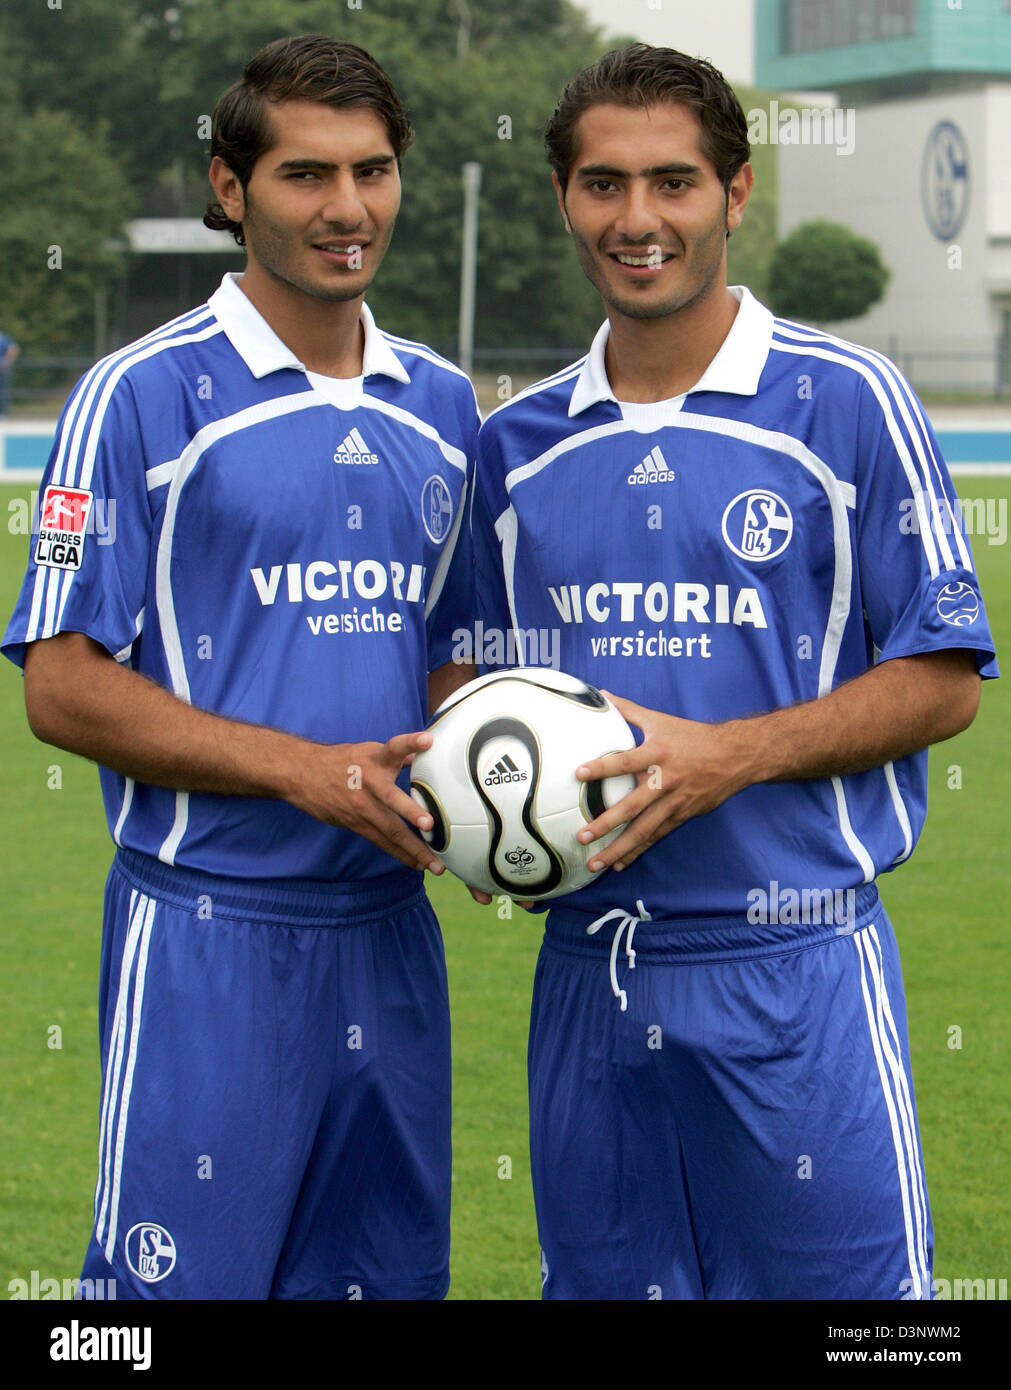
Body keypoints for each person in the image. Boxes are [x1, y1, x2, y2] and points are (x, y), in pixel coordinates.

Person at [471, 44, 998, 1300]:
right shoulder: (517, 444)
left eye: (674, 184)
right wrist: (494, 801)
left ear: (736, 193)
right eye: (604, 185)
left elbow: (943, 678)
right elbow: (474, 685)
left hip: (795, 969)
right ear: (563, 197)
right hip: (588, 970)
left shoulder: (850, 402)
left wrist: (726, 756)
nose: (638, 220)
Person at [3, 34, 479, 1301]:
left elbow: (459, 658)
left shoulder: (442, 403)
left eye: (373, 171)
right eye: (305, 174)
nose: (346, 208)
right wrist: (301, 773)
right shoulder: (139, 395)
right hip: (208, 927)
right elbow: (61, 682)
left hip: (393, 934)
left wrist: (502, 800)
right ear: (230, 188)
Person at [0, 329, 19, 413]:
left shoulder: (3, 338)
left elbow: (13, 349)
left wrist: (7, 361)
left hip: (2, 369)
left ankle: (3, 411)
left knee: (4, 390)